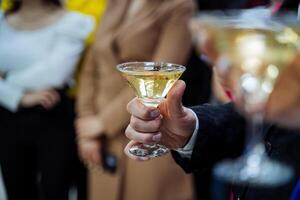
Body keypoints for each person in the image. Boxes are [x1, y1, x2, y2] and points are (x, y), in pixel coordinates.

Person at [76, 0, 195, 199]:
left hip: (150, 129)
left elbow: (158, 78)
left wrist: (103, 123)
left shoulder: (180, 6)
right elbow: (91, 67)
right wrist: (87, 128)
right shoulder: (115, 3)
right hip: (103, 139)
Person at [0, 0, 94, 199]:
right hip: (6, 116)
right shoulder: (1, 19)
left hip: (53, 115)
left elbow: (54, 74)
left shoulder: (73, 22)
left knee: (55, 189)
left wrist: (5, 78)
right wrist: (17, 97)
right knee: (17, 190)